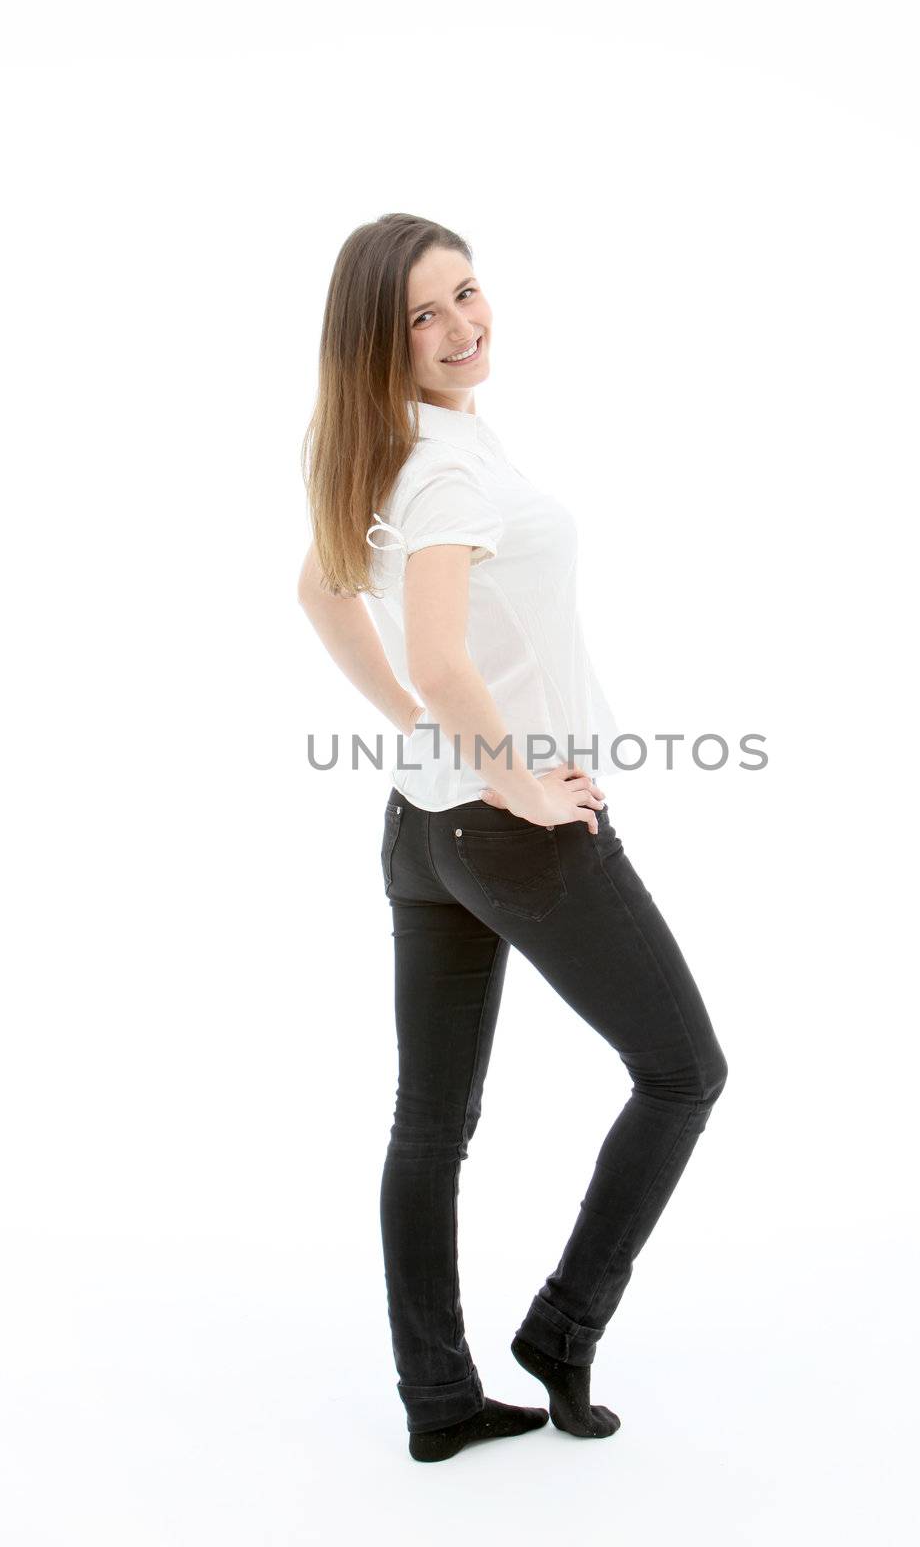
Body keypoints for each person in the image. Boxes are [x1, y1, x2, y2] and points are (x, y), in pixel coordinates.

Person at [297, 213, 729, 1463]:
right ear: (380, 338)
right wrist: (523, 783)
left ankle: (437, 1400)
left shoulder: (383, 447)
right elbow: (431, 648)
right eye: (422, 315)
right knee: (683, 1072)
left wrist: (424, 738)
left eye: (466, 294)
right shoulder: (441, 471)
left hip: (419, 830)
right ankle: (561, 1324)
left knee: (428, 1124)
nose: (459, 327)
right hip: (509, 837)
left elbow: (321, 593)